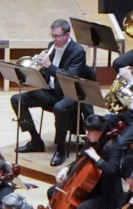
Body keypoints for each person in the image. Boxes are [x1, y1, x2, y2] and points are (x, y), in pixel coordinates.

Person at [15, 19, 93, 151]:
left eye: (57, 36)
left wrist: (49, 65)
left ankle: (60, 148)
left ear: (67, 35)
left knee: (59, 108)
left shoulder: (78, 51)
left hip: (70, 94)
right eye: (52, 35)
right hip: (51, 91)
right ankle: (35, 141)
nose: (54, 39)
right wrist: (38, 67)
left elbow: (70, 77)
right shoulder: (51, 45)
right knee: (17, 99)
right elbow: (47, 74)